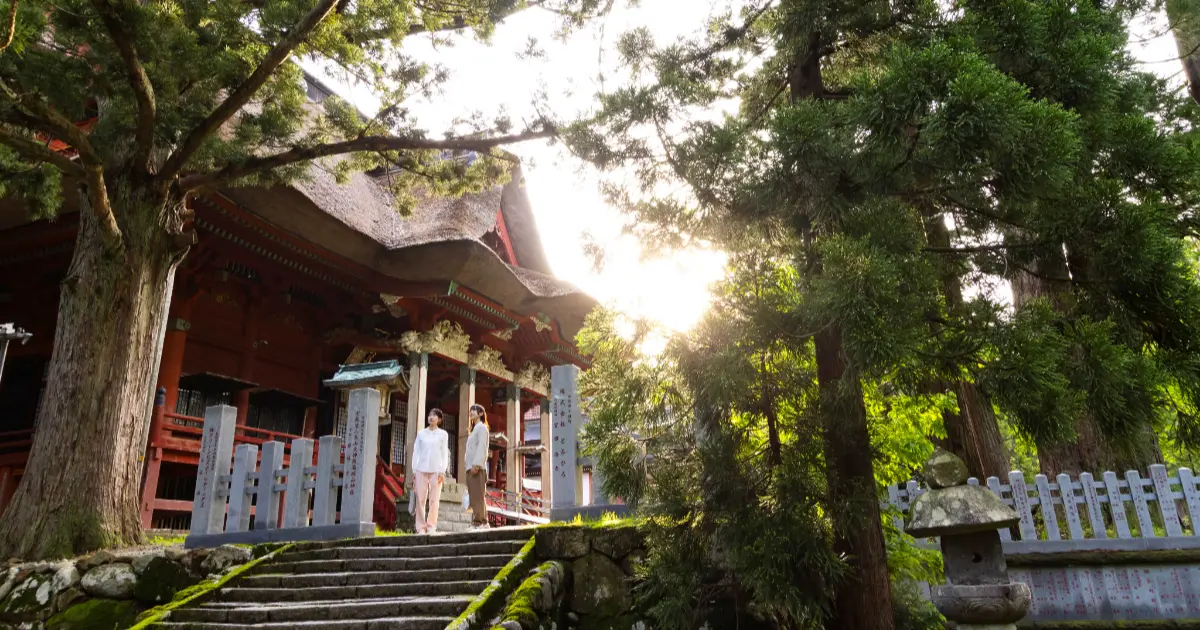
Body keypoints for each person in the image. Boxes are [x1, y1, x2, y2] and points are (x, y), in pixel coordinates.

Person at [410, 408, 451, 533]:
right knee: (420, 498)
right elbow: (416, 452)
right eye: (429, 415)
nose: (431, 417)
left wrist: (442, 470)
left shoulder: (443, 434)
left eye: (434, 415)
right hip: (421, 469)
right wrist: (414, 470)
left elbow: (444, 453)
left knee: (434, 500)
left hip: (436, 470)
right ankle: (420, 527)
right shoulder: (421, 434)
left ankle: (431, 526)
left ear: (439, 419)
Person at [464, 404, 491, 529]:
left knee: (478, 496)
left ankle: (478, 521)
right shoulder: (473, 430)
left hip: (477, 467)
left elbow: (482, 448)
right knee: (474, 495)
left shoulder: (482, 428)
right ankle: (483, 521)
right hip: (470, 467)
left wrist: (477, 464)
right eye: (470, 410)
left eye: (474, 410)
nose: (471, 412)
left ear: (480, 413)